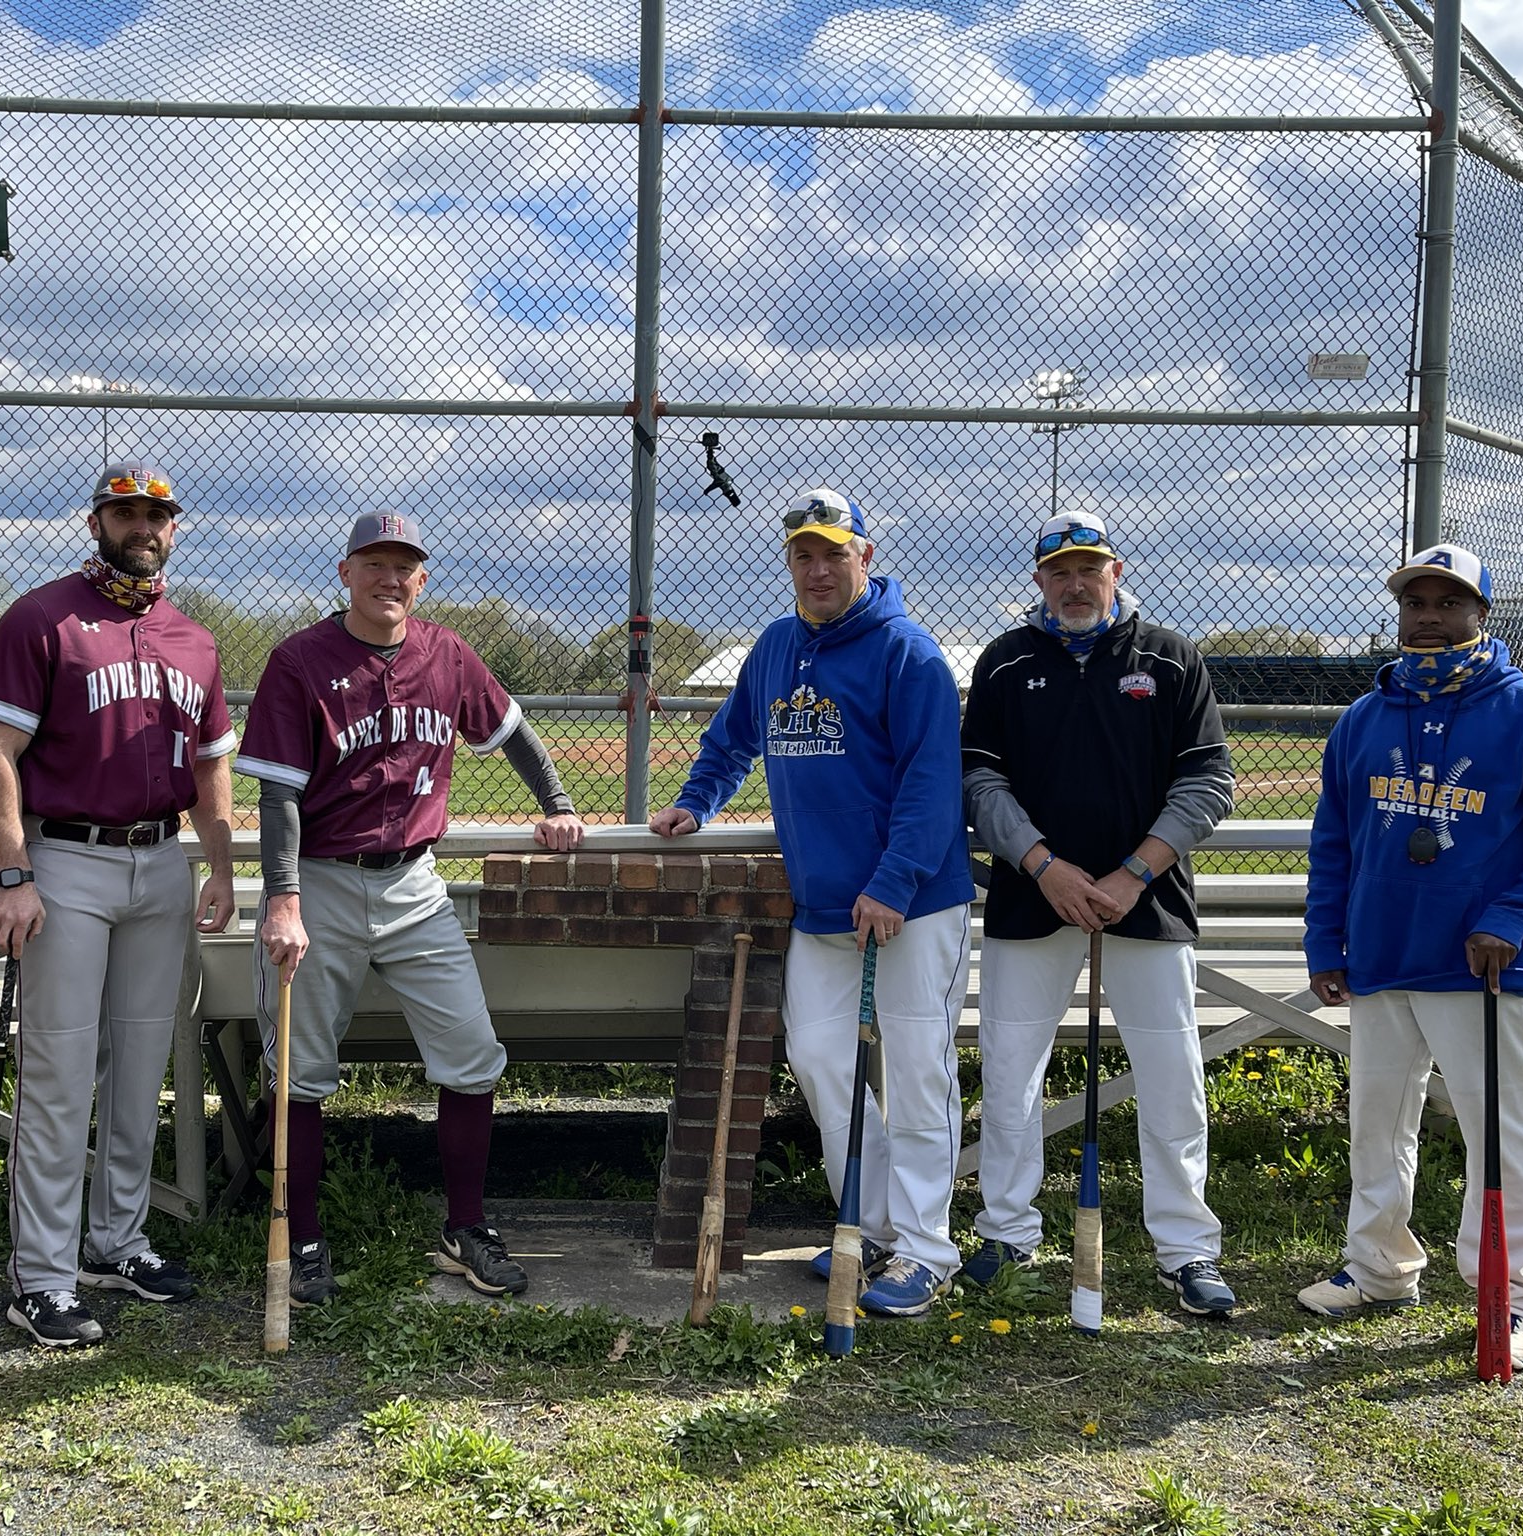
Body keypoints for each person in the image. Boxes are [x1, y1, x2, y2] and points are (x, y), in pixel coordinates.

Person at [236, 511, 583, 1305]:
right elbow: (279, 796)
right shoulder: (299, 661)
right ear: (345, 571)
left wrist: (557, 800)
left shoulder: (447, 653)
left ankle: (465, 1227)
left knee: (471, 1052)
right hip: (319, 881)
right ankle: (305, 1233)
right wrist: (283, 900)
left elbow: (512, 730)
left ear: (421, 580)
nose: (390, 580)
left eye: (405, 567)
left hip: (415, 884)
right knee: (301, 1073)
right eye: (375, 564)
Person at [651, 488, 974, 1316]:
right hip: (825, 909)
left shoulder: (910, 653)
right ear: (789, 563)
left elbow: (933, 785)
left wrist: (894, 882)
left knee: (916, 1074)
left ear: (866, 557)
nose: (819, 568)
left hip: (912, 905)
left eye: (835, 552)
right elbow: (730, 741)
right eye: (804, 553)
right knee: (822, 1063)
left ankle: (928, 1250)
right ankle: (868, 1231)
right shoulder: (775, 647)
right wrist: (698, 803)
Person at [0, 460, 238, 1348]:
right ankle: (40, 1277)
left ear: (175, 529)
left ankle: (115, 1240)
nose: (142, 527)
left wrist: (224, 867)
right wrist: (12, 873)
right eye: (125, 512)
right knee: (59, 1074)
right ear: (96, 522)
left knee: (139, 1070)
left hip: (160, 861)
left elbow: (211, 767)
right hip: (66, 860)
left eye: (157, 515)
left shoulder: (193, 639)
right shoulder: (41, 618)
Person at [1299, 544, 1523, 1373]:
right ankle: (1380, 1266)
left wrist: (1510, 914)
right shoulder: (1364, 718)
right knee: (1377, 1124)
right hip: (1383, 955)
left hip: (1483, 964)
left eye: (1447, 603)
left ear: (1480, 614)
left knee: (1503, 1133)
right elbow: (1334, 841)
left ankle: (1513, 1294)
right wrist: (1325, 940)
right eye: (1415, 602)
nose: (1428, 615)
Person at [961, 510, 1238, 1317]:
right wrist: (1044, 866)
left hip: (1146, 900)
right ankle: (1008, 1230)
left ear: (1117, 572)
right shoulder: (1007, 662)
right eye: (1059, 571)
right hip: (1031, 896)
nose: (1075, 584)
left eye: (1091, 568)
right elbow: (980, 784)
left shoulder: (1171, 659)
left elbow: (1207, 784)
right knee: (1011, 1075)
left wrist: (1129, 875)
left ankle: (1186, 1249)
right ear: (1038, 580)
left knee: (1172, 1078)